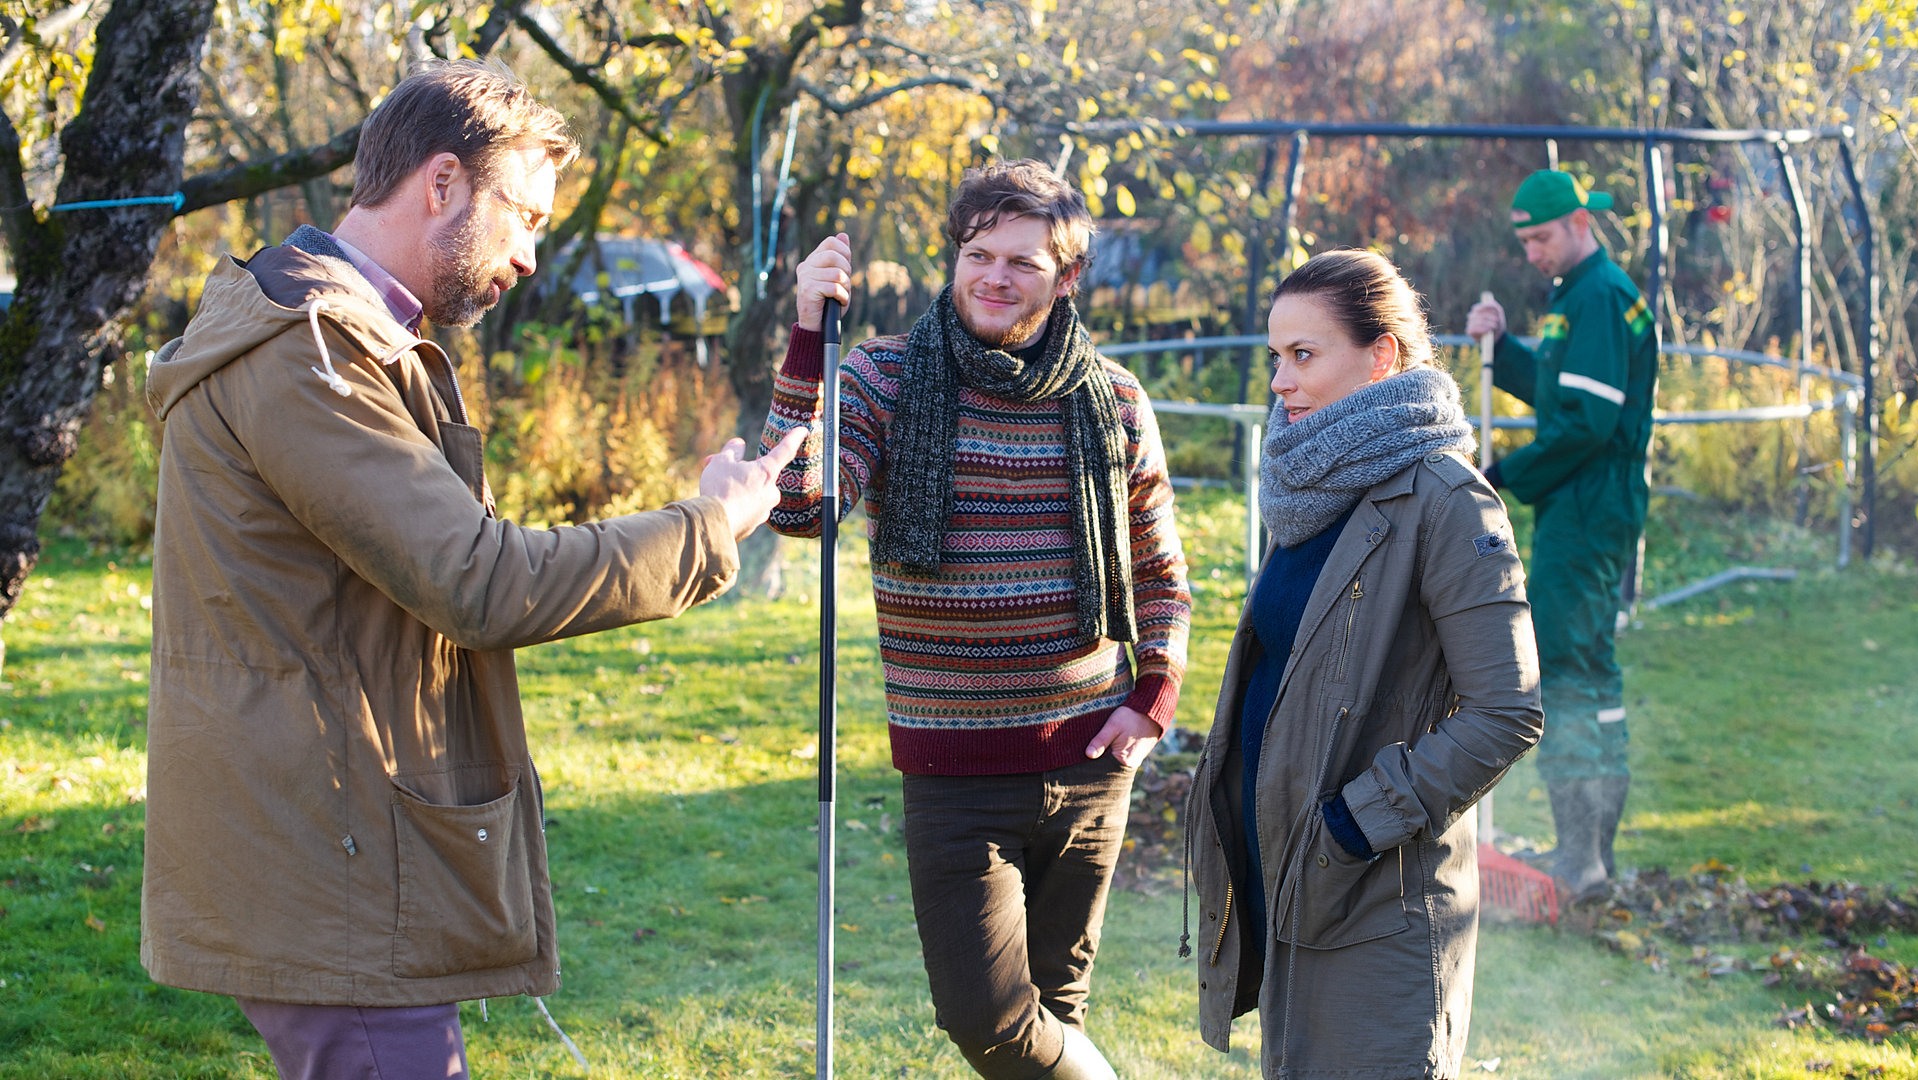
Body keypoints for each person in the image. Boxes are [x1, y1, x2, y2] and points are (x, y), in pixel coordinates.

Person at [140, 59, 807, 1080]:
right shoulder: (309, 355)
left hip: (334, 842)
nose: (533, 255)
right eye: (525, 216)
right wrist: (708, 526)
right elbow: (482, 582)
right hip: (331, 866)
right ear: (441, 183)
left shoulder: (341, 338)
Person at [762, 160, 1191, 1080]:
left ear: (1067, 278)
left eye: (1023, 263)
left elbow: (1159, 572)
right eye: (978, 253)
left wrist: (1151, 699)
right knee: (989, 1021)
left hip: (1091, 759)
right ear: (955, 257)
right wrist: (808, 334)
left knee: (1056, 1013)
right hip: (955, 770)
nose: (994, 277)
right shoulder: (884, 376)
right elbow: (798, 505)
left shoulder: (1113, 400)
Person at [1187, 250, 1543, 1079]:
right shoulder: (1311, 487)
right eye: (1276, 356)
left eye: (1304, 355)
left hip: (1377, 894)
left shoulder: (1448, 500)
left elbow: (1508, 709)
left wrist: (1355, 824)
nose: (1281, 381)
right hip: (1290, 884)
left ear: (1382, 356)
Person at [1465, 169, 1657, 895]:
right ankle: (1582, 855)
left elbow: (1585, 424)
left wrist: (1502, 474)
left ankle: (1583, 855)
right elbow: (1562, 390)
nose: (1532, 253)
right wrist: (1505, 347)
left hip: (1590, 507)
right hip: (1577, 503)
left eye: (1541, 237)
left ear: (1581, 221)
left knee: (1572, 667)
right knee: (1578, 664)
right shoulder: (1577, 295)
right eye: (1524, 242)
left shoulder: (1601, 298)